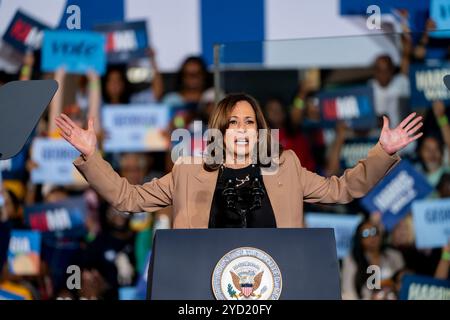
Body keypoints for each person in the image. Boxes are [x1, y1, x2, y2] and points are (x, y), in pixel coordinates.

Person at [55, 93, 422, 228]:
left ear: (259, 129)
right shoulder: (188, 172)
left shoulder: (286, 167)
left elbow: (343, 190)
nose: (242, 129)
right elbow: (128, 199)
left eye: (249, 121)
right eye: (233, 122)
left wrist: (383, 152)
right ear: (219, 130)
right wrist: (91, 154)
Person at [341, 219, 405, 300]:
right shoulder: (352, 259)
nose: (372, 237)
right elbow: (348, 291)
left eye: (374, 232)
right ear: (359, 239)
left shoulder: (394, 256)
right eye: (366, 234)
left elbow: (403, 284)